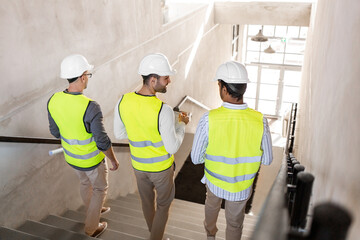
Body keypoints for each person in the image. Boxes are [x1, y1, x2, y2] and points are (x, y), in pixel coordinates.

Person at [191, 61, 273, 240]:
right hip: (241, 187)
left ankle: (210, 235)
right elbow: (267, 160)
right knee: (235, 225)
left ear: (224, 89)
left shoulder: (208, 120)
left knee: (211, 213)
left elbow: (196, 158)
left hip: (214, 183)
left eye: (219, 84)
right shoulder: (260, 121)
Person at [114, 53, 189, 240]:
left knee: (147, 203)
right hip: (161, 169)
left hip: (139, 167)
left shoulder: (122, 101)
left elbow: (120, 134)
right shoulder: (163, 110)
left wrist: (140, 130)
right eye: (166, 78)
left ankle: (154, 233)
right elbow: (172, 147)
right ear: (153, 80)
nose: (169, 81)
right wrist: (181, 125)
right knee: (163, 205)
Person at [47, 54, 119, 238]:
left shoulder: (53, 100)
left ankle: (94, 208)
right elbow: (102, 141)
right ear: (82, 77)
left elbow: (55, 132)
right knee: (99, 189)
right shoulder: (90, 106)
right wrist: (113, 160)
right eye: (87, 74)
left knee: (85, 183)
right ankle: (91, 228)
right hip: (91, 160)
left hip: (72, 158)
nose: (87, 78)